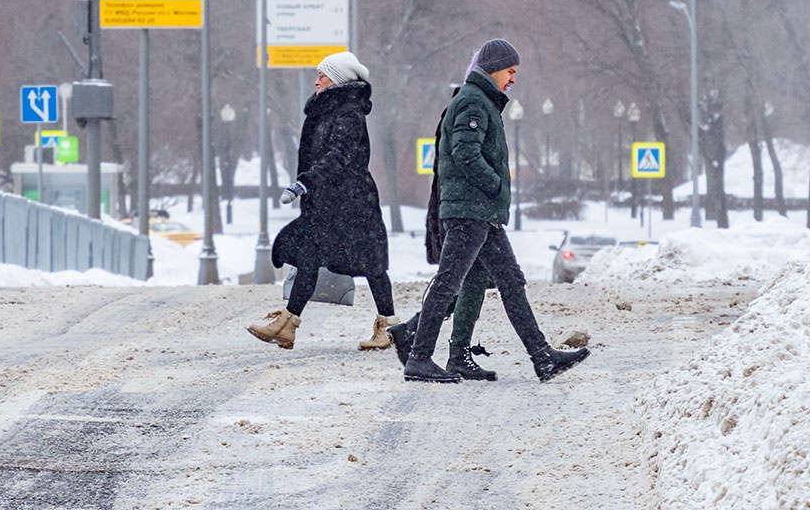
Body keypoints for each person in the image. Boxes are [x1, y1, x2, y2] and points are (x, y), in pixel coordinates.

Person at [404, 39, 590, 383]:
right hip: (470, 211)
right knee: (448, 283)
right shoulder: (473, 102)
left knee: (511, 283)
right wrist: (494, 184)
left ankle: (542, 357)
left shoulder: (483, 101)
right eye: (511, 71)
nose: (513, 79)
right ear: (494, 68)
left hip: (481, 213)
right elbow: (465, 152)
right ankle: (418, 358)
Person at [247, 51, 398, 351]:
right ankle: (288, 323)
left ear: (338, 81)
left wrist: (305, 182)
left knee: (373, 265)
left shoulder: (348, 114)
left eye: (322, 76)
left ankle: (388, 326)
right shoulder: (329, 111)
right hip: (328, 202)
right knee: (308, 256)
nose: (316, 81)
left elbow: (338, 156)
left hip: (353, 204)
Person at [387, 86, 497, 381]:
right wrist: (494, 186)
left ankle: (420, 336)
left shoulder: (466, 113)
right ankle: (431, 348)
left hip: (464, 212)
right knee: (458, 282)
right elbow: (461, 166)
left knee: (466, 281)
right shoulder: (468, 113)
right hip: (462, 214)